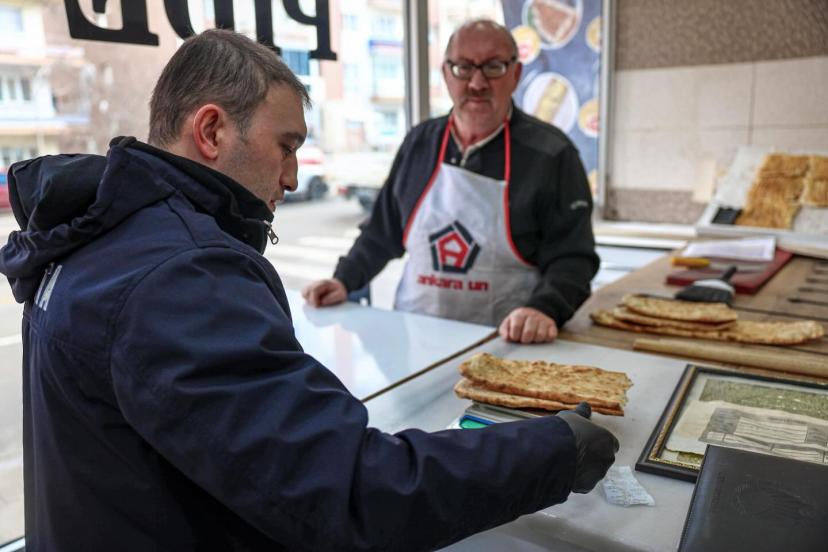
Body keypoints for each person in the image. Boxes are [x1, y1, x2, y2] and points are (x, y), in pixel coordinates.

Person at [0, 29, 617, 551]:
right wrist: (553, 451)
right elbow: (350, 490)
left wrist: (545, 305)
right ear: (211, 131)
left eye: (493, 68)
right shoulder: (181, 277)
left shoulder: (96, 235)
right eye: (286, 146)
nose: (294, 178)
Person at [304, 19, 599, 345]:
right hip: (416, 339)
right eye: (463, 67)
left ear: (516, 74)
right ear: (445, 74)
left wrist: (545, 309)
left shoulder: (552, 154)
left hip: (509, 345)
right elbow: (381, 232)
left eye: (494, 67)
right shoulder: (419, 143)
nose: (477, 83)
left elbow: (573, 258)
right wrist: (344, 279)